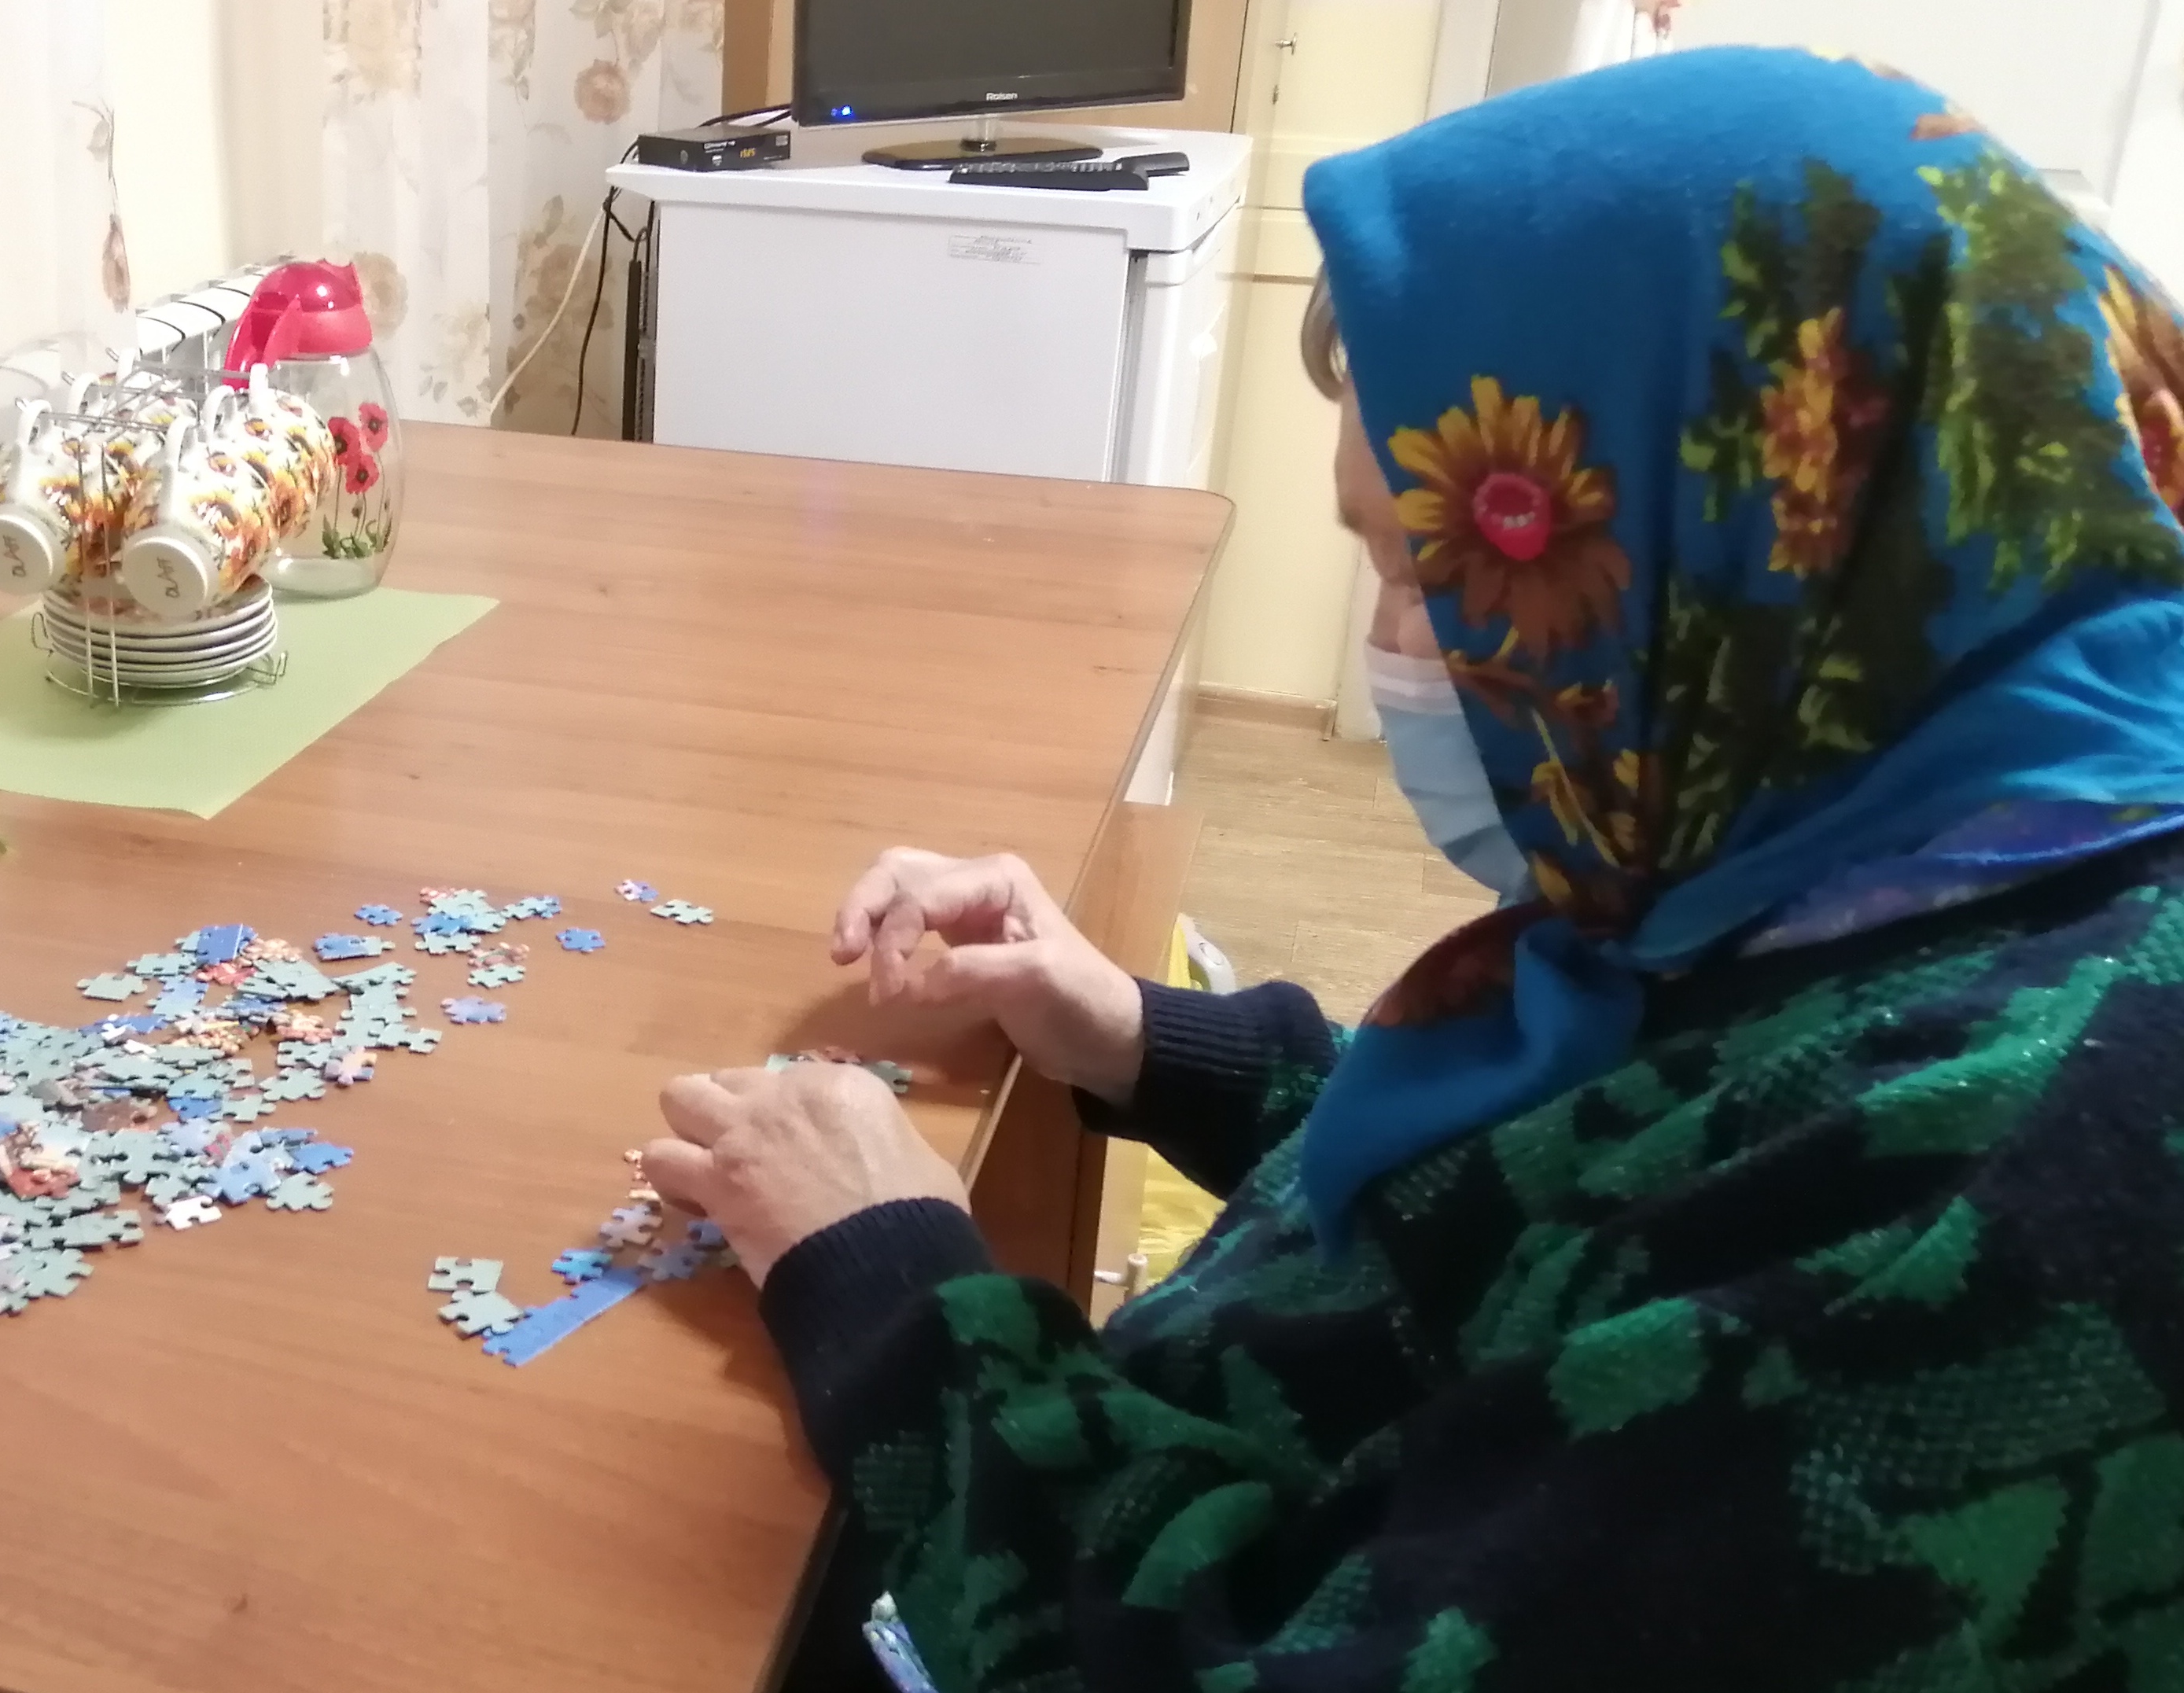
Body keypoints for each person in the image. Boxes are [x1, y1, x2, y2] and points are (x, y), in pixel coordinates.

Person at [643, 47, 2184, 1691]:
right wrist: (1147, 1038)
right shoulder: (1912, 836)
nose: (1391, 649)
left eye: (1433, 574)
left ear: (1761, 550)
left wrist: (893, 1281)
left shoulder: (1965, 1213)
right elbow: (1602, 1171)